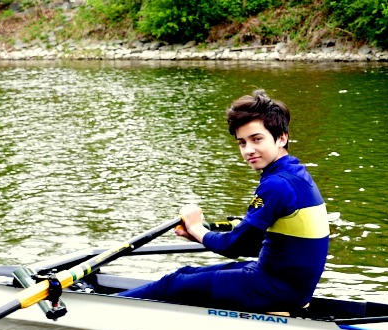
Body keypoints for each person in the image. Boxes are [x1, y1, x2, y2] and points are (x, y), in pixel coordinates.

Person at [118, 89, 330, 313]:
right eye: (242, 143)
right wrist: (202, 235)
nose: (248, 150)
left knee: (172, 284)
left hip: (274, 288)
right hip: (287, 285)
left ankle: (106, 310)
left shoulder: (277, 184)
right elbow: (255, 243)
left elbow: (235, 246)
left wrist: (197, 229)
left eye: (256, 139)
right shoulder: (295, 173)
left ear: (282, 138)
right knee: (185, 273)